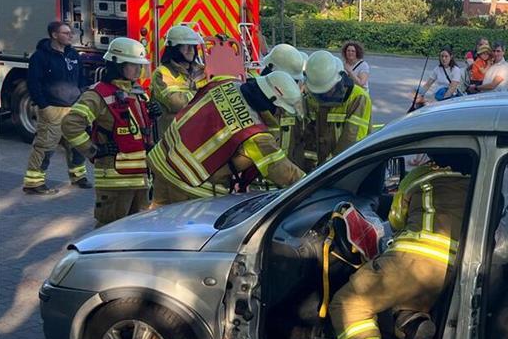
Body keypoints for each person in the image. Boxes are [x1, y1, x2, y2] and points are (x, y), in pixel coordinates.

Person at [327, 152, 472, 339]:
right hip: (450, 271)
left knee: (348, 303)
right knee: (403, 297)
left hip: (413, 257)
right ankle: (413, 323)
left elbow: (395, 220)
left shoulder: (420, 176)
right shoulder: (480, 182)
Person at [148, 71, 305, 205]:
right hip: (190, 186)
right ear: (270, 102)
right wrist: (315, 183)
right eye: (280, 109)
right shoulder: (256, 135)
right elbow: (283, 171)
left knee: (156, 228)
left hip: (163, 161)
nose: (279, 114)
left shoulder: (224, 81)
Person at [61, 38, 156, 224]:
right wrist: (95, 151)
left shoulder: (137, 92)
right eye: (133, 65)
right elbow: (70, 124)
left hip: (140, 179)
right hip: (114, 181)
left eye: (140, 66)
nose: (138, 70)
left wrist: (152, 116)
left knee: (139, 231)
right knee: (109, 232)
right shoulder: (97, 94)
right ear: (117, 64)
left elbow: (137, 131)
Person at [22, 21, 89, 194]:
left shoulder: (73, 54)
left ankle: (78, 176)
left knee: (76, 145)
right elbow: (33, 83)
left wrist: (80, 95)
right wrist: (44, 106)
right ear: (54, 35)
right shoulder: (40, 57)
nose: (70, 36)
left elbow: (81, 77)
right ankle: (34, 183)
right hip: (52, 109)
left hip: (73, 107)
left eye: (70, 33)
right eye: (66, 33)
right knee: (45, 147)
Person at [295, 51, 373, 171]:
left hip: (349, 166)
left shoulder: (358, 98)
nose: (324, 94)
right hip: (324, 167)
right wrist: (309, 168)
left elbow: (351, 139)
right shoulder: (312, 96)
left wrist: (327, 168)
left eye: (327, 88)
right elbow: (309, 134)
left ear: (339, 80)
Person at [150, 24, 208, 138]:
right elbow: (177, 104)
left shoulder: (203, 70)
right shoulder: (163, 73)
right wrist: (206, 94)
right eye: (185, 46)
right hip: (172, 138)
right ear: (174, 49)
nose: (191, 50)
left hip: (197, 135)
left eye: (192, 46)